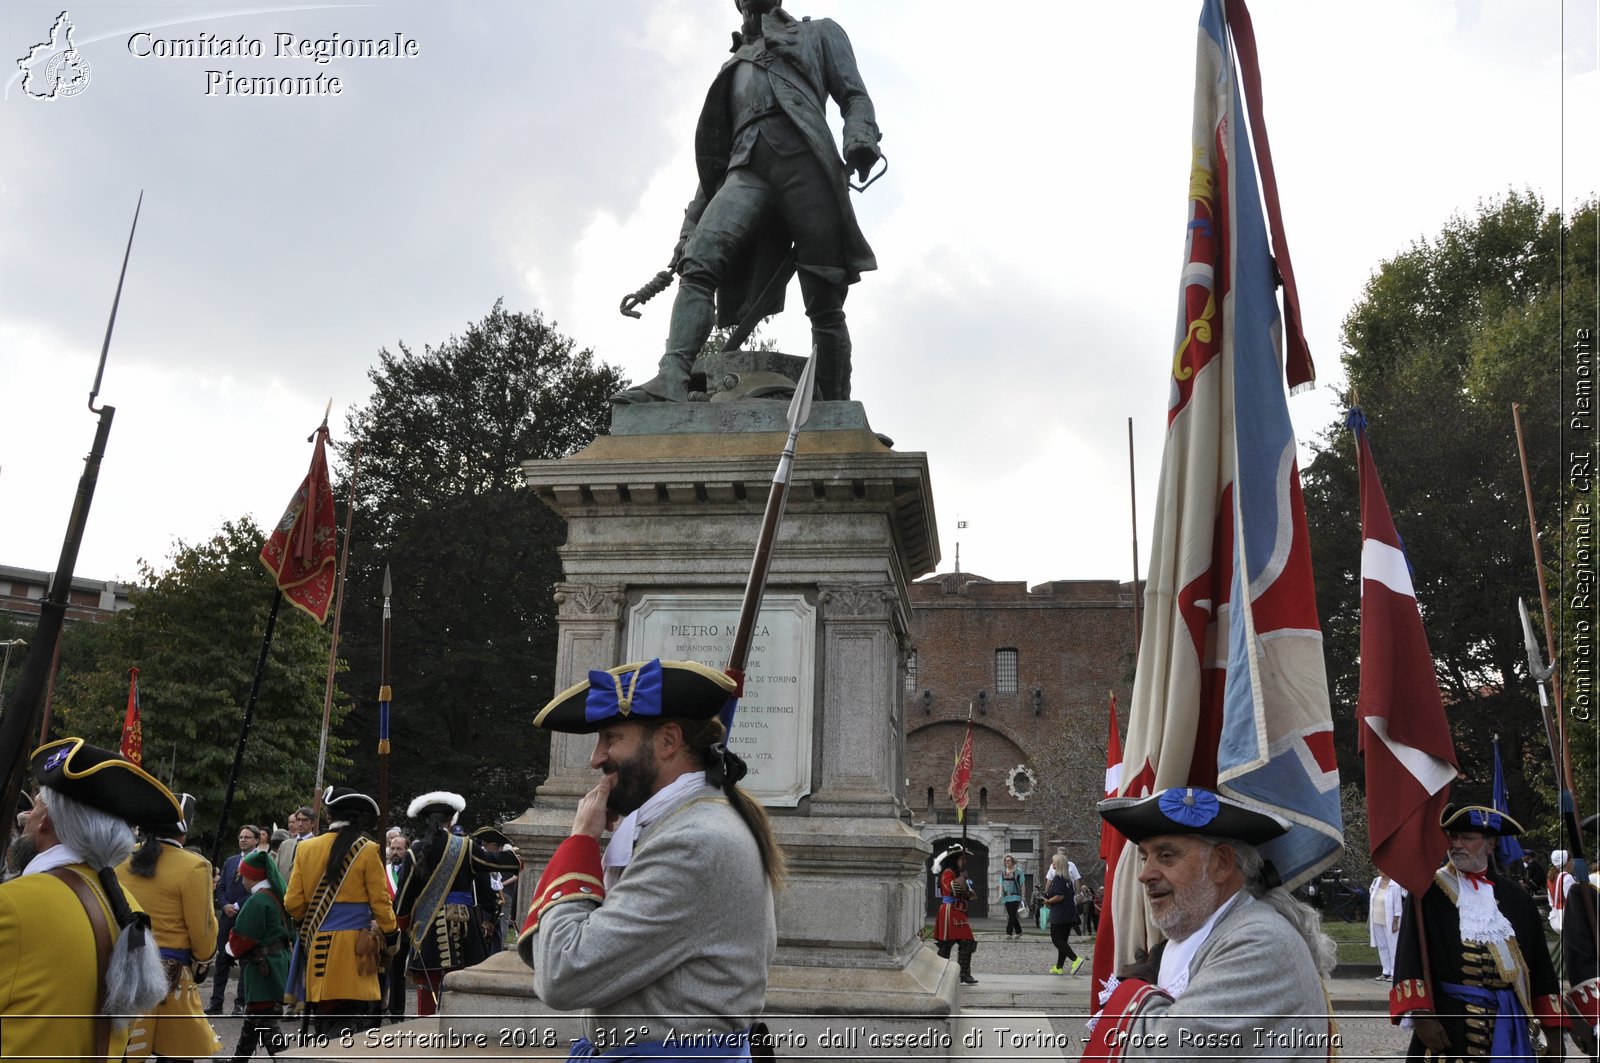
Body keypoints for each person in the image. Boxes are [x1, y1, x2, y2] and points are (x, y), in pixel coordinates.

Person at [612, 0, 881, 406]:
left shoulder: (819, 33)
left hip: (806, 164)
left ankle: (835, 408)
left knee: (825, 299)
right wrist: (690, 229)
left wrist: (860, 137)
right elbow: (713, 166)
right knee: (700, 260)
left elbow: (854, 95)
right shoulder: (731, 67)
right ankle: (672, 377)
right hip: (746, 170)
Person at [518, 658, 782, 1058]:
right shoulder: (687, 824)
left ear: (668, 740)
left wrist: (581, 843)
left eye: (611, 738)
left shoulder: (691, 843)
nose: (596, 758)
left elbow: (563, 972)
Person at [1083, 787, 1337, 1060]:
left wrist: (1131, 993)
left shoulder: (1261, 942)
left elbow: (1163, 1052)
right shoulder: (1206, 932)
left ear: (1221, 864)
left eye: (1166, 855)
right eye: (1145, 856)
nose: (1145, 874)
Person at [0, 737, 178, 1059]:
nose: (27, 816)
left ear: (46, 821)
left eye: (36, 805)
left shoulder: (13, 905)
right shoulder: (127, 906)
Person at [1391, 803, 1567, 1060]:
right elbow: (1409, 955)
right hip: (1450, 1027)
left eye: (1467, 838)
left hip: (1510, 1028)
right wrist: (1421, 1016)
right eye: (1453, 837)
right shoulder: (1428, 894)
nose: (1456, 844)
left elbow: (1540, 968)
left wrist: (1554, 1031)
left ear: (1490, 844)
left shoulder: (1518, 899)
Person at [284, 786, 399, 1038]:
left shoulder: (306, 848)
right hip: (357, 948)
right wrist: (391, 934)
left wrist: (311, 921)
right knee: (353, 1018)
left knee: (324, 1015)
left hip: (317, 945)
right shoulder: (368, 849)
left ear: (327, 816)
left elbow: (293, 903)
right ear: (357, 818)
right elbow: (381, 902)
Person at [115, 792, 222, 1061]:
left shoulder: (120, 859)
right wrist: (202, 963)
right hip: (171, 977)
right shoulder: (195, 866)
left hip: (124, 969)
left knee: (123, 1052)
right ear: (184, 829)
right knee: (177, 1054)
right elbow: (203, 931)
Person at [396, 792, 515, 1016]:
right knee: (461, 980)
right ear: (452, 820)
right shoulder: (465, 846)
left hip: (427, 926)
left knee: (427, 981)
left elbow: (404, 896)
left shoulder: (414, 852)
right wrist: (518, 858)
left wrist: (402, 924)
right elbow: (491, 862)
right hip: (464, 925)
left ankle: (425, 1029)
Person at [226, 850, 293, 1059]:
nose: (242, 880)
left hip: (263, 966)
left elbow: (243, 937)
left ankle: (283, 1057)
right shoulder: (274, 894)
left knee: (263, 1019)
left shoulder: (257, 901)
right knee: (255, 1017)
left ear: (252, 876)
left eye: (243, 876)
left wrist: (230, 947)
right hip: (274, 962)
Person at [208, 822, 260, 1015]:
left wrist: (237, 906)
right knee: (222, 959)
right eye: (240, 837)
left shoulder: (260, 860)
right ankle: (216, 1002)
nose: (243, 840)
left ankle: (240, 1003)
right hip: (226, 917)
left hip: (245, 916)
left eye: (247, 837)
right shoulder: (230, 861)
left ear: (256, 840)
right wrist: (224, 905)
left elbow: (258, 889)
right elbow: (220, 888)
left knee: (245, 961)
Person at [932, 843, 979, 985]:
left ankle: (963, 972)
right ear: (955, 860)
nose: (963, 862)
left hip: (958, 911)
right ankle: (940, 972)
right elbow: (954, 889)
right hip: (950, 911)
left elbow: (964, 893)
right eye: (961, 859)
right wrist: (963, 878)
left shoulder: (956, 874)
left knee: (966, 942)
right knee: (946, 944)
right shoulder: (947, 873)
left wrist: (968, 893)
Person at [382, 829, 415, 1023]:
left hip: (403, 928)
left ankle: (397, 1013)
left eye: (399, 849)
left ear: (407, 850)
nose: (395, 852)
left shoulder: (411, 871)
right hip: (384, 928)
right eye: (392, 848)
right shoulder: (383, 870)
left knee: (397, 973)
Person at [1043, 852, 1082, 975]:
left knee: (1057, 940)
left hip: (1060, 913)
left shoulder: (1058, 878)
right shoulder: (1067, 879)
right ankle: (1059, 967)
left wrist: (1048, 901)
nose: (1052, 864)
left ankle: (1076, 959)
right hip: (1069, 913)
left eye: (1054, 862)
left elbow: (1060, 895)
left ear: (1058, 864)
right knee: (1063, 941)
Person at [1368, 871, 1404, 981]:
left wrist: (1395, 920)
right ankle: (1386, 970)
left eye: (1382, 869)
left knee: (1392, 946)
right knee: (1382, 946)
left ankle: (1394, 971)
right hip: (1376, 919)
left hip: (1389, 920)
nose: (1379, 871)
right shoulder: (1376, 881)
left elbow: (1398, 905)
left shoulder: (1395, 884)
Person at [998, 853, 1025, 940]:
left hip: (1016, 896)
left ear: (1013, 861)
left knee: (1012, 914)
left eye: (1009, 860)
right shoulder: (1003, 872)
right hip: (1006, 897)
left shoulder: (1018, 871)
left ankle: (1009, 933)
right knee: (1011, 914)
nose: (1007, 862)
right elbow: (1001, 884)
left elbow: (1022, 884)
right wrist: (1000, 894)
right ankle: (1019, 931)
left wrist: (1023, 896)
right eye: (1006, 861)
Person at [1551, 850, 1578, 932]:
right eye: (1571, 861)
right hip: (1568, 915)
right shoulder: (1567, 877)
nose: (1572, 863)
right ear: (1566, 862)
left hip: (1558, 913)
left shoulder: (1554, 877)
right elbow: (1572, 899)